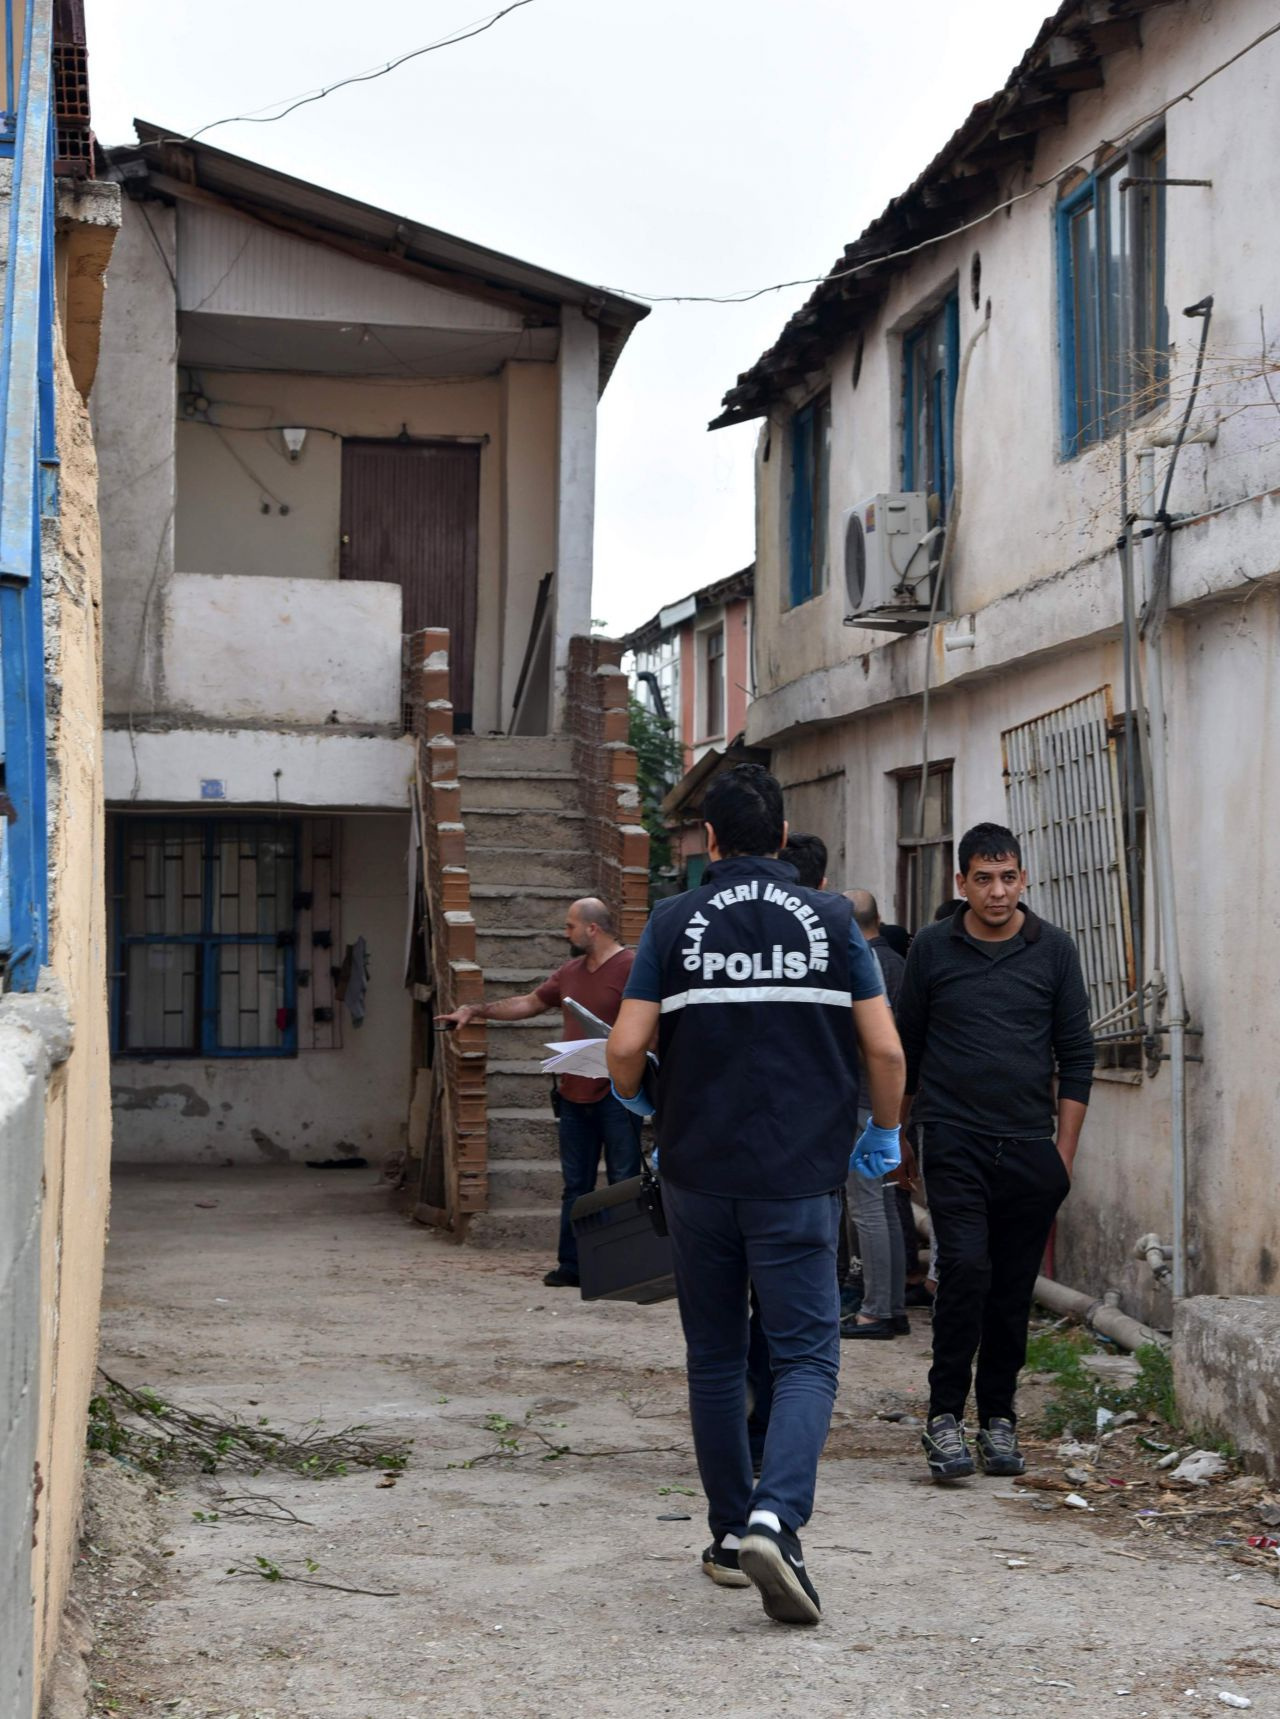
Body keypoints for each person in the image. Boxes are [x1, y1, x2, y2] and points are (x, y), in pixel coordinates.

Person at [607, 765, 905, 1626]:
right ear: (782, 838)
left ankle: (733, 1535)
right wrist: (881, 1133)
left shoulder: (673, 919)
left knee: (714, 1354)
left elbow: (627, 1045)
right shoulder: (833, 917)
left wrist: (638, 1096)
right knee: (807, 1354)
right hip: (799, 1177)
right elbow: (884, 1054)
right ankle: (780, 1515)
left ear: (708, 840)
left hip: (698, 1174)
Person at [896, 823, 1094, 1483]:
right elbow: (908, 1047)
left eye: (1008, 876)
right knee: (968, 1270)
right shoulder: (931, 948)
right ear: (961, 883)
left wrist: (1062, 1154)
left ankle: (999, 1416)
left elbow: (1078, 1056)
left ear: (1024, 879)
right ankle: (944, 1414)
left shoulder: (1055, 951)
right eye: (983, 877)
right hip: (953, 1138)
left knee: (1012, 1288)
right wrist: (898, 1133)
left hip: (1030, 1148)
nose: (997, 890)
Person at [436, 897, 640, 1288]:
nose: (565, 933)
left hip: (619, 1094)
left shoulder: (632, 968)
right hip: (573, 1094)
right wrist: (474, 1011)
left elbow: (653, 1020)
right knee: (575, 1185)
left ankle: (622, 1266)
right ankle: (572, 1266)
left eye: (569, 926)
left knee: (624, 1181)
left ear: (591, 929)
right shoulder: (570, 972)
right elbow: (528, 1003)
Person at [840, 890, 910, 1340]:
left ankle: (877, 1310)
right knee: (883, 1204)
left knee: (867, 1208)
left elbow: (876, 1044)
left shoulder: (862, 962)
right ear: (879, 918)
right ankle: (892, 1305)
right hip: (886, 1099)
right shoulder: (896, 962)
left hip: (866, 1099)